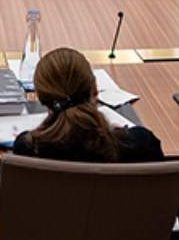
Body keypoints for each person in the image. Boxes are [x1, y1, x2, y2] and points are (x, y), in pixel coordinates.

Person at [12, 49, 164, 163]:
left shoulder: (27, 148)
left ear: (41, 98)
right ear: (95, 88)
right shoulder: (143, 144)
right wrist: (121, 133)